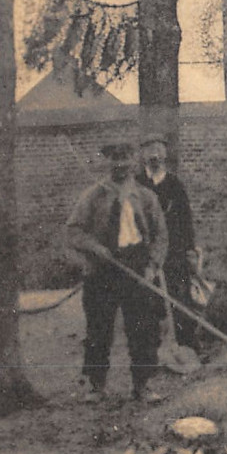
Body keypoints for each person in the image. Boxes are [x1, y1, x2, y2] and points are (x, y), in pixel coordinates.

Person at [66, 141, 168, 402]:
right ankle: (95, 385)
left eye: (125, 159)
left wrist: (152, 266)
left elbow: (160, 236)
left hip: (136, 267)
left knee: (142, 330)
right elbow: (74, 230)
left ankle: (142, 385)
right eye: (115, 159)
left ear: (134, 162)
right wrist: (95, 247)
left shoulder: (146, 197)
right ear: (107, 162)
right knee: (99, 329)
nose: (120, 165)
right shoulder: (93, 195)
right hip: (102, 270)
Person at [137, 133, 198, 350]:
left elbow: (186, 220)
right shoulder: (136, 184)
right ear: (142, 155)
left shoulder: (174, 184)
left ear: (165, 154)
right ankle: (151, 352)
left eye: (158, 150)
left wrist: (190, 251)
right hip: (146, 254)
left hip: (175, 252)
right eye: (149, 150)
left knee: (180, 299)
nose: (154, 155)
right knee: (147, 302)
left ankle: (187, 346)